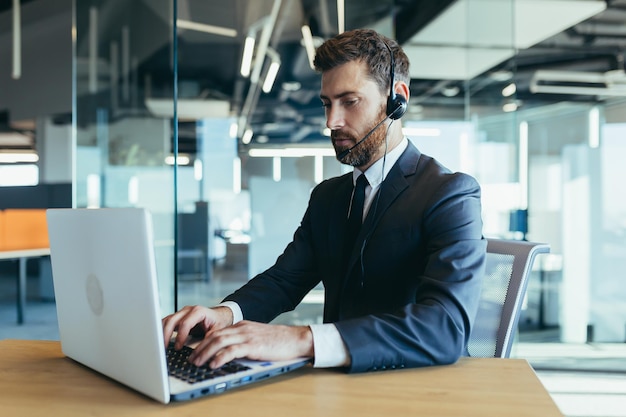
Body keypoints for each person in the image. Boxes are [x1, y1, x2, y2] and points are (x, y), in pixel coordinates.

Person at [163, 28, 486, 373]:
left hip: (415, 383)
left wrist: (302, 340)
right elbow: (285, 280)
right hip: (338, 384)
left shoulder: (449, 194)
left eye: (349, 101)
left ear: (397, 99)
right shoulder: (329, 197)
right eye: (327, 104)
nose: (332, 121)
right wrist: (224, 315)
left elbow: (445, 327)